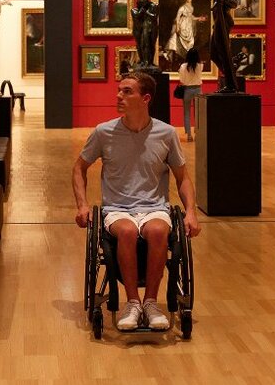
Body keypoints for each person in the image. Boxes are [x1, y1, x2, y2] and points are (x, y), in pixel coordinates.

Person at [73, 71, 200, 331]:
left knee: (157, 230)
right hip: (116, 208)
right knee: (128, 232)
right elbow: (79, 168)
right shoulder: (103, 132)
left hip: (154, 207)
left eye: (127, 91)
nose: (119, 96)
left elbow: (182, 177)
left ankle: (150, 303)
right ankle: (133, 303)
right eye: (119, 90)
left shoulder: (165, 134)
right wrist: (83, 205)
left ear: (145, 98)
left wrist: (190, 212)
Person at [210, 0, 239, 93]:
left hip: (224, 19)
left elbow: (234, 3)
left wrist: (223, 0)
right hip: (217, 18)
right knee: (213, 53)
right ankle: (230, 74)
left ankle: (230, 83)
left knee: (223, 51)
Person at [165, 0, 207, 70]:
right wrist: (177, 27)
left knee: (191, 42)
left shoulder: (191, 7)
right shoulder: (182, 7)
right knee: (178, 41)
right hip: (183, 25)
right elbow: (177, 17)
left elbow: (191, 17)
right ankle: (178, 61)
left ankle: (188, 59)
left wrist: (199, 18)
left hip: (189, 26)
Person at [178, 47, 204, 142]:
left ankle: (189, 135)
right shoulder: (200, 65)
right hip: (198, 89)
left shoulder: (183, 66)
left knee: (187, 113)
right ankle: (198, 133)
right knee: (198, 114)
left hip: (187, 90)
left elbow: (182, 81)